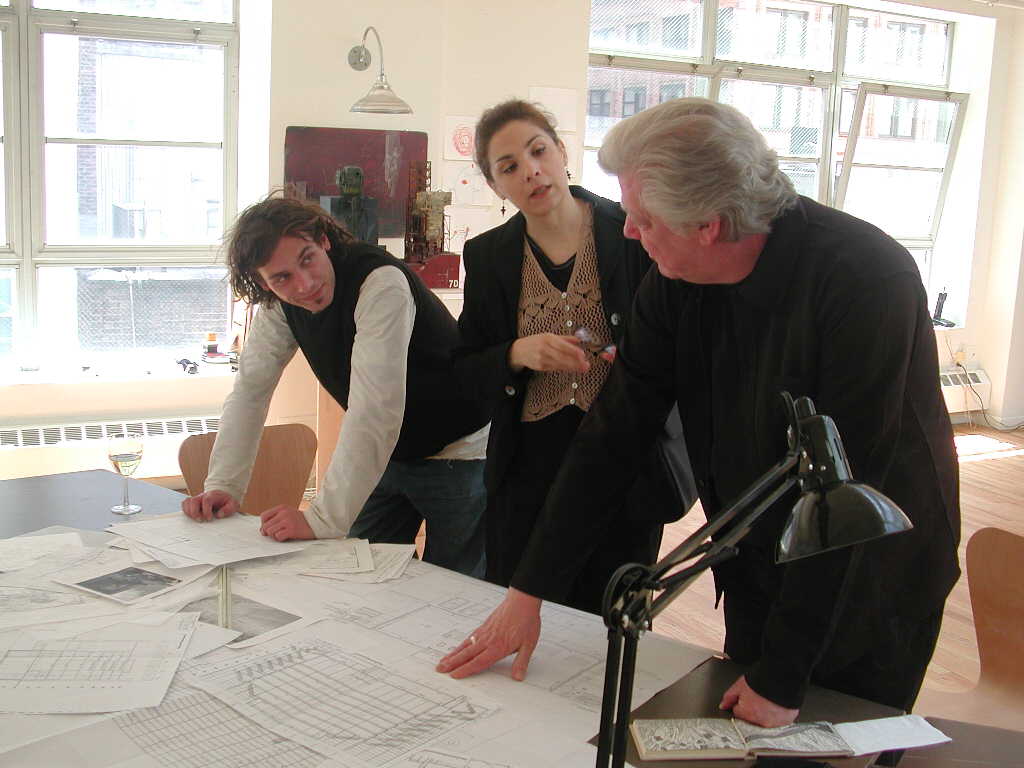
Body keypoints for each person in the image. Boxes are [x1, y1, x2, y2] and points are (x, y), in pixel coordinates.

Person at [439, 97, 961, 728]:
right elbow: (614, 435)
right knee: (745, 736)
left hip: (869, 572)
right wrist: (528, 594)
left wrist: (781, 676)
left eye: (642, 220)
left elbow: (845, 495)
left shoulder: (865, 280)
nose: (627, 233)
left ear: (708, 225)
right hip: (757, 550)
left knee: (840, 738)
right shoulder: (675, 279)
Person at [441, 100, 695, 675]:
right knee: (522, 609)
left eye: (538, 151)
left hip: (625, 463)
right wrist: (517, 352)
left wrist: (631, 358)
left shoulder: (629, 232)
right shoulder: (489, 255)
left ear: (561, 152)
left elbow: (678, 342)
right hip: (529, 465)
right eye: (508, 166)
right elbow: (465, 369)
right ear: (494, 184)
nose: (530, 171)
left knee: (612, 622)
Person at [180, 195, 491, 578]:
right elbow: (250, 391)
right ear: (263, 282)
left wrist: (322, 518)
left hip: (458, 449)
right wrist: (224, 486)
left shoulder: (380, 284)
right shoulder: (279, 305)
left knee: (454, 588)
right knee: (360, 575)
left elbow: (374, 411)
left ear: (324, 240)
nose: (305, 284)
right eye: (282, 278)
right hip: (389, 455)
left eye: (307, 259)